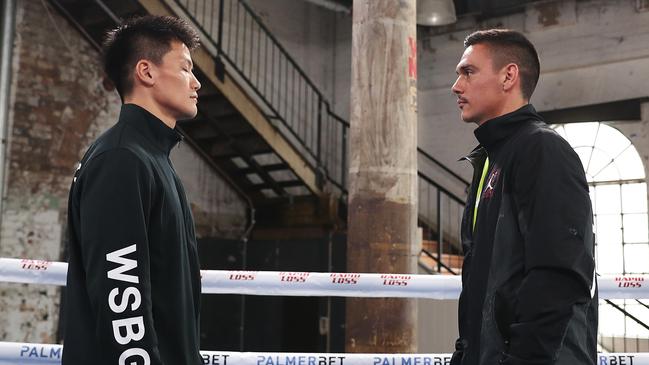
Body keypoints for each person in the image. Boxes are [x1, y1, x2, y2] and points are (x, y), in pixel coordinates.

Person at [449, 29, 597, 365]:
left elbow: (559, 273)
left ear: (508, 76)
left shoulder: (542, 149)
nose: (456, 86)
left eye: (468, 72)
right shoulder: (490, 159)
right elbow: (480, 282)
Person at [63, 15, 203, 365]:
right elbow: (122, 301)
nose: (196, 83)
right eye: (185, 68)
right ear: (147, 72)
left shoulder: (151, 159)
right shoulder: (122, 160)